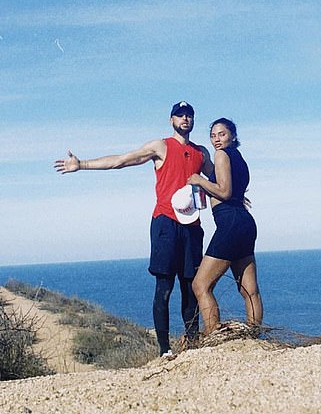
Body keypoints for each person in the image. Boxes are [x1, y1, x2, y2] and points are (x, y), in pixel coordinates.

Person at [54, 101, 213, 357]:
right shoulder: (160, 147)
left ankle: (192, 344)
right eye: (180, 115)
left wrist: (236, 196)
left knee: (190, 287)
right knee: (164, 288)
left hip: (192, 226)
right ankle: (164, 350)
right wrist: (81, 165)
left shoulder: (201, 153)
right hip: (165, 223)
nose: (185, 119)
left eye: (189, 115)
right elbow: (121, 161)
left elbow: (218, 181)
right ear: (171, 120)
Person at [187, 117, 263, 334]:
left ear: (233, 136)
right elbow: (234, 190)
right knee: (250, 290)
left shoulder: (222, 155)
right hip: (245, 222)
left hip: (229, 224)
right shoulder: (239, 158)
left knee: (200, 285)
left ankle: (213, 336)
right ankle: (254, 334)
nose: (217, 140)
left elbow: (224, 191)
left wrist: (199, 180)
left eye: (222, 134)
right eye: (213, 135)